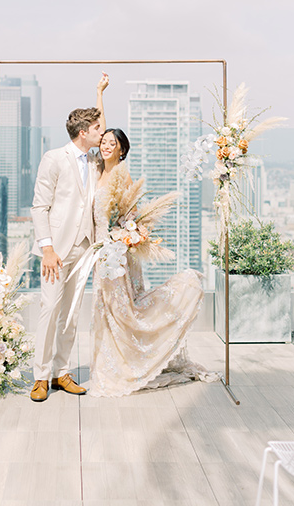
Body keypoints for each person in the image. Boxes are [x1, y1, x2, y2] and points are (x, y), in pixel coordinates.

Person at [87, 127, 219, 397]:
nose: (106, 146)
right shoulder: (98, 170)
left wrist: (122, 236)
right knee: (106, 309)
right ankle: (112, 364)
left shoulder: (122, 174)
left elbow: (131, 215)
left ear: (122, 149)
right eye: (104, 142)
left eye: (113, 143)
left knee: (124, 311)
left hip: (116, 254)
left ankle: (131, 364)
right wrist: (100, 93)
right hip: (101, 254)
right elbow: (100, 124)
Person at [29, 74, 109, 402]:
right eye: (96, 130)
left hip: (85, 249)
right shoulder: (54, 158)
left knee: (72, 314)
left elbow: (106, 125)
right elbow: (39, 207)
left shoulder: (94, 159)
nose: (102, 134)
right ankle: (40, 376)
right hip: (57, 251)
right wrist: (47, 249)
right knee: (49, 310)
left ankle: (62, 372)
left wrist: (99, 93)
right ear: (82, 132)